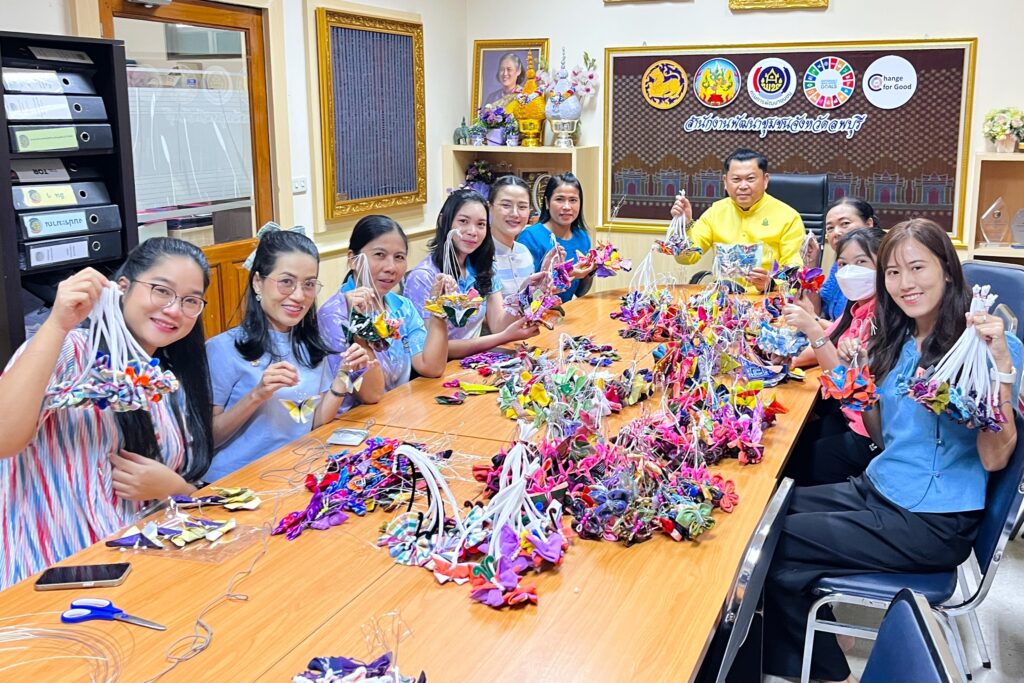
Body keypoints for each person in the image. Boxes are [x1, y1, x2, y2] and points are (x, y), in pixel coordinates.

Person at [760, 218, 1022, 682]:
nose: (905, 283)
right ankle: (816, 649)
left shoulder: (985, 347)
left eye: (917, 268)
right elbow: (883, 437)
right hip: (880, 487)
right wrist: (864, 385)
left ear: (947, 269)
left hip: (931, 520)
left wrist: (1000, 371)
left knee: (770, 541)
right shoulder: (898, 338)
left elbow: (995, 457)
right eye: (894, 273)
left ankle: (822, 669)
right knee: (761, 516)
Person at [0, 238, 214, 589]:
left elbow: (183, 485)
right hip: (54, 577)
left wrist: (175, 488)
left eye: (190, 300)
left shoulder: (164, 380)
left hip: (142, 572)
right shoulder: (70, 352)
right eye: (161, 290)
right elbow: (3, 439)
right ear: (123, 287)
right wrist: (57, 323)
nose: (174, 309)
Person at [205, 228, 374, 482]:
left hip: (293, 474)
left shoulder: (309, 345)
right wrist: (256, 395)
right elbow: (210, 439)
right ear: (258, 282)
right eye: (286, 282)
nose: (298, 295)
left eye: (309, 284)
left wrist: (344, 376)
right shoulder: (223, 349)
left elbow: (314, 421)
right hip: (236, 485)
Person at [782, 227, 885, 485]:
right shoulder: (857, 307)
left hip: (867, 432)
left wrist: (813, 329)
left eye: (861, 262)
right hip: (847, 417)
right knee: (789, 439)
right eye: (843, 264)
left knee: (794, 461)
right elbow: (830, 340)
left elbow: (843, 383)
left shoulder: (882, 319)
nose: (850, 271)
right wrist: (787, 361)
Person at [320, 215, 449, 402]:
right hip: (356, 416)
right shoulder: (335, 315)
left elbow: (431, 367)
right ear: (353, 259)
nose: (391, 267)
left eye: (399, 257)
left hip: (398, 407)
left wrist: (438, 307)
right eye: (379, 255)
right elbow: (371, 395)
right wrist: (359, 322)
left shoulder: (402, 307)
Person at [404, 189, 540, 359]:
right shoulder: (423, 278)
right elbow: (430, 349)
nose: (472, 231)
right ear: (443, 221)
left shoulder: (484, 266)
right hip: (438, 368)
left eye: (481, 224)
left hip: (474, 362)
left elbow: (498, 324)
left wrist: (526, 292)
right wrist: (504, 337)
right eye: (463, 221)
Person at [669, 148, 806, 292]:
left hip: (768, 298)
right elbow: (687, 258)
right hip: (724, 298)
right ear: (725, 181)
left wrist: (772, 283)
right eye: (736, 179)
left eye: (750, 179)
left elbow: (794, 269)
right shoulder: (715, 212)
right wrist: (683, 226)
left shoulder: (788, 217)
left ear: (765, 180)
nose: (743, 186)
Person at [517, 173, 596, 303]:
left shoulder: (582, 237)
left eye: (573, 200)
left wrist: (592, 269)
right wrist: (569, 274)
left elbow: (580, 292)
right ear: (547, 203)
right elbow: (524, 296)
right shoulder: (530, 237)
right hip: (535, 313)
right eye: (560, 199)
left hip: (565, 311)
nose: (567, 207)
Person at [810, 197, 881, 320]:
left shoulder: (878, 266)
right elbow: (819, 310)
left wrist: (813, 321)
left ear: (869, 224)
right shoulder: (839, 265)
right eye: (830, 228)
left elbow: (854, 329)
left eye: (845, 224)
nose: (836, 232)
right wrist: (812, 265)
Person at [489, 175, 558, 297]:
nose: (515, 213)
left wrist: (546, 280)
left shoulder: (524, 252)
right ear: (490, 208)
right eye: (506, 205)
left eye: (522, 207)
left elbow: (528, 304)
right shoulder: (478, 255)